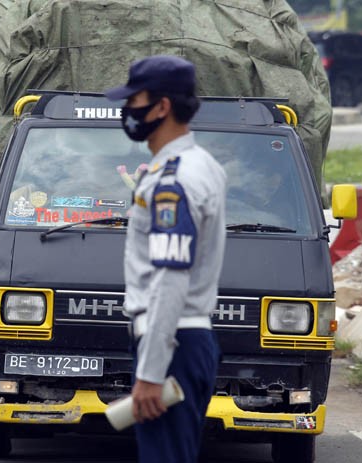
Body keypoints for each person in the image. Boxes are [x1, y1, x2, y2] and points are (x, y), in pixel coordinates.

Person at [104, 55, 227, 463]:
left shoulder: (173, 182)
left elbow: (170, 278)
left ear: (162, 107)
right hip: (185, 340)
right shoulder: (201, 165)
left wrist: (151, 372)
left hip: (173, 342)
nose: (127, 110)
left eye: (134, 100)